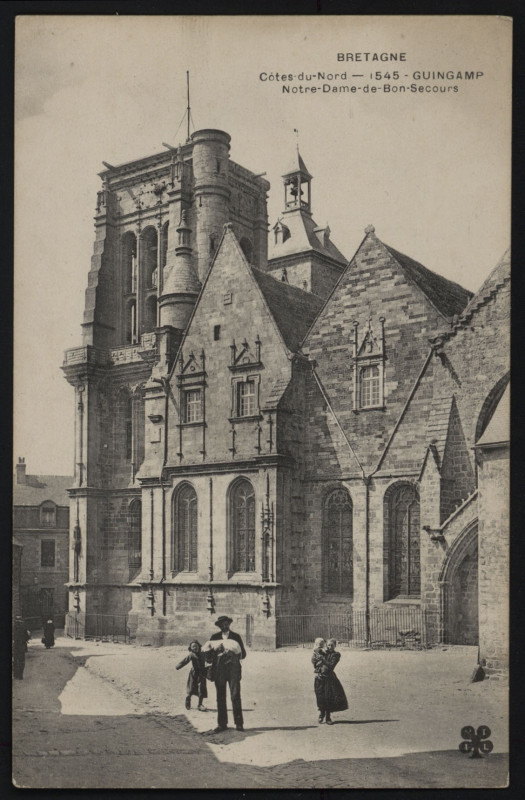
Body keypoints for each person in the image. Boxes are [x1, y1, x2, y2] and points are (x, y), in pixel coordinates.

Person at [208, 615, 246, 732]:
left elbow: (243, 654)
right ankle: (222, 724)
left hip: (233, 670)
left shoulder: (236, 637)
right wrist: (215, 650)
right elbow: (208, 657)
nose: (224, 626)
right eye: (222, 624)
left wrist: (233, 652)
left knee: (235, 695)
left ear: (229, 624)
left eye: (226, 623)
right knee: (220, 696)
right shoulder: (214, 637)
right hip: (219, 670)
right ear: (219, 626)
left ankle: (239, 723)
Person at [312, 637, 348, 725]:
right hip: (319, 677)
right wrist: (316, 662)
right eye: (328, 645)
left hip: (329, 678)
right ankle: (321, 714)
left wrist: (323, 660)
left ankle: (328, 717)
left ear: (335, 646)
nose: (329, 647)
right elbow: (314, 661)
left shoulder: (336, 655)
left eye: (332, 645)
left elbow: (331, 666)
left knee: (328, 697)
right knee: (320, 696)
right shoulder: (323, 652)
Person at [175, 640, 208, 711]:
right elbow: (185, 661)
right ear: (191, 648)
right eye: (193, 647)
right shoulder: (191, 655)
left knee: (201, 688)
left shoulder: (203, 654)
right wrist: (178, 666)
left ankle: (200, 704)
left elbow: (209, 659)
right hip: (194, 673)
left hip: (202, 673)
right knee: (191, 688)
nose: (195, 648)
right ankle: (188, 700)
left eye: (196, 646)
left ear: (199, 647)